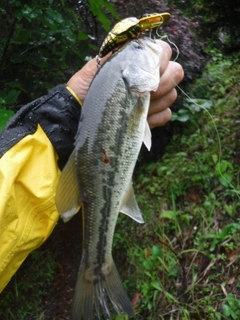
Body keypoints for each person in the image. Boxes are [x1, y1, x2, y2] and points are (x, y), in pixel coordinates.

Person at [0, 40, 184, 292]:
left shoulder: (127, 82)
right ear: (130, 72)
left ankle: (97, 265)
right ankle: (98, 265)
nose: (149, 46)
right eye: (139, 48)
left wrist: (64, 116)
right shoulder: (123, 79)